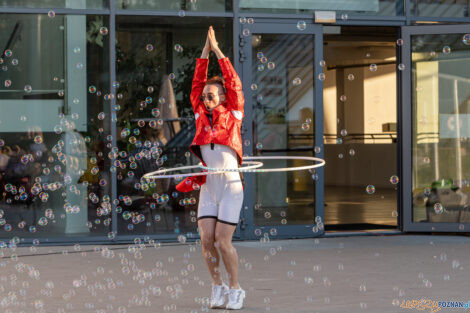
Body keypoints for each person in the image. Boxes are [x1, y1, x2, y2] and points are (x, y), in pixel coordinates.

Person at [176, 26, 246, 310]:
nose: (206, 98)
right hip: (209, 185)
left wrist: (217, 51)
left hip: (230, 186)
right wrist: (203, 52)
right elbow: (195, 84)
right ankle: (216, 285)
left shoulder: (233, 113)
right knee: (206, 240)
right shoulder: (199, 115)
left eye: (211, 95)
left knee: (222, 240)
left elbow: (234, 83)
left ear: (222, 97)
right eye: (204, 96)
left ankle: (235, 288)